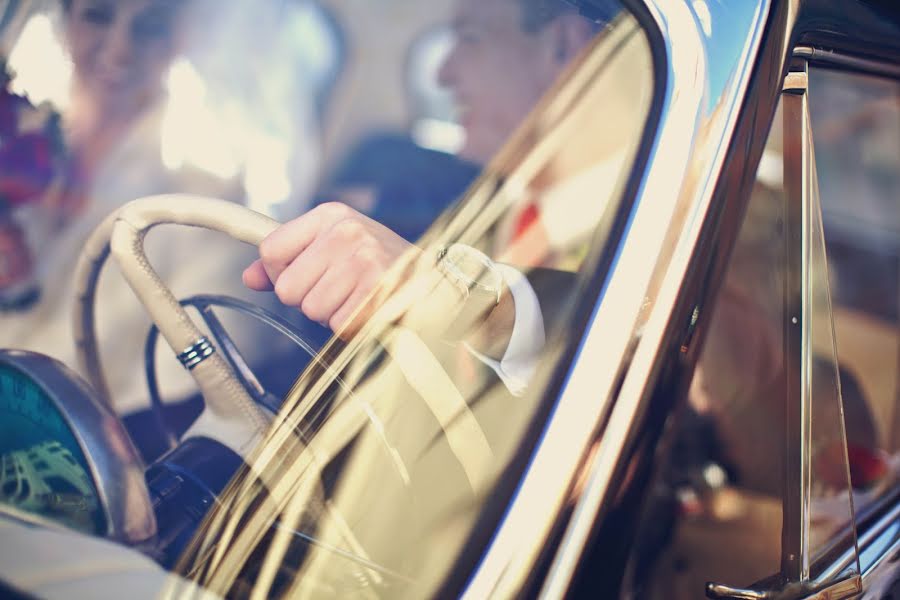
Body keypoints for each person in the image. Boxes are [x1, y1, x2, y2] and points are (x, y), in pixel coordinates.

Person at [244, 0, 614, 393]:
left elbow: (599, 341)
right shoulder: (502, 204)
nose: (442, 73)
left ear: (563, 45)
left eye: (470, 39)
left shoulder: (652, 229)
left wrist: (441, 294)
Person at [0, 0, 262, 424]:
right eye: (98, 15)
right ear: (66, 22)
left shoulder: (206, 205)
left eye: (149, 27)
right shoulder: (16, 144)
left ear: (181, 39)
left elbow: (196, 399)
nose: (119, 50)